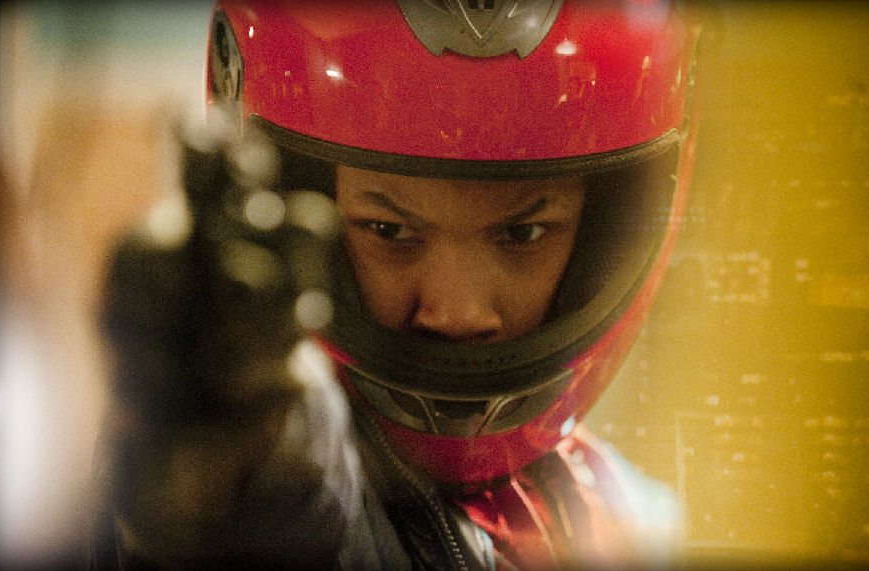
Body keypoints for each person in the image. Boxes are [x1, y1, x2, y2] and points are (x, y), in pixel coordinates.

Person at [91, 1, 702, 569]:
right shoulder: (306, 481)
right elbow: (278, 507)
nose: (457, 312)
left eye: (524, 233)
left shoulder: (630, 518)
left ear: (605, 229)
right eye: (389, 230)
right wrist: (230, 451)